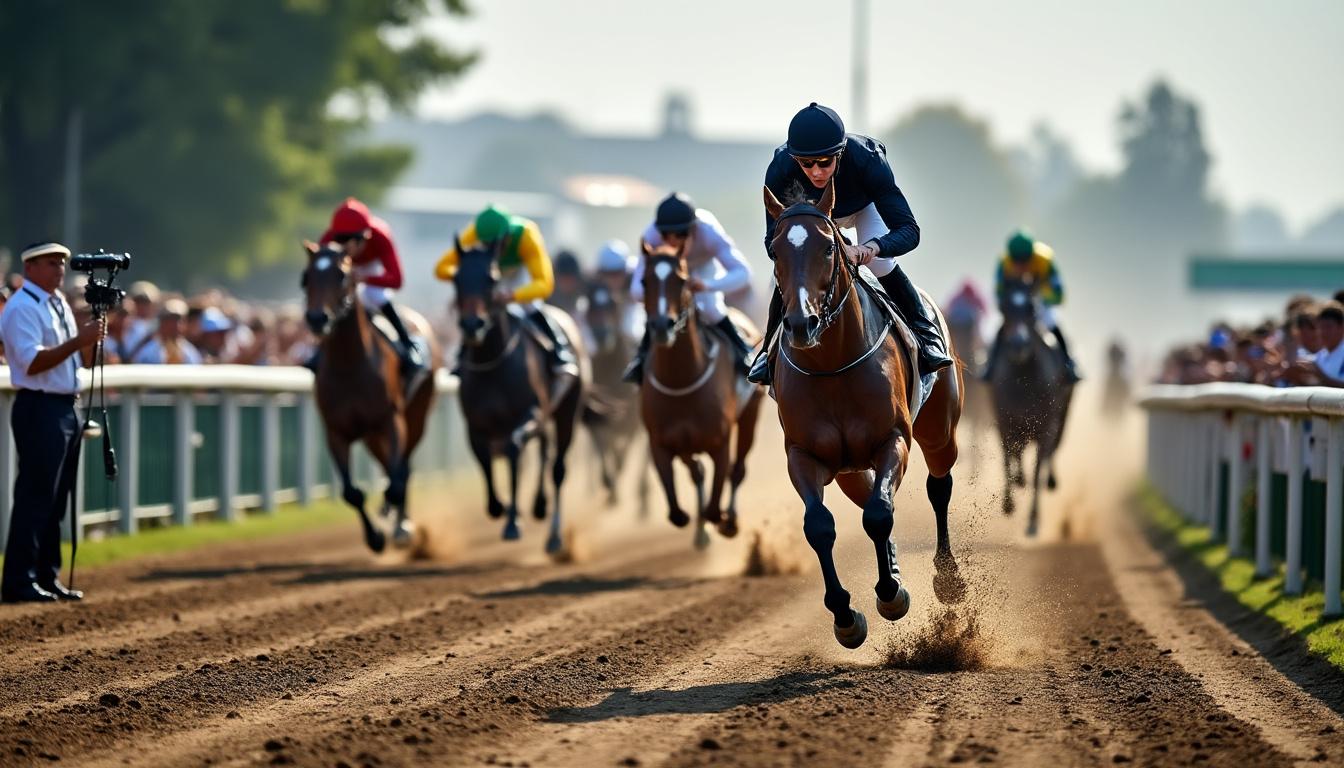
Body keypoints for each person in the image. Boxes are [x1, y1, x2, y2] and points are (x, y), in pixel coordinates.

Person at [754, 102, 951, 385]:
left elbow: (909, 229)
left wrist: (866, 249)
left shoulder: (867, 160)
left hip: (863, 208)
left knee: (881, 263)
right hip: (812, 218)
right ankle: (767, 353)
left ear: (840, 153)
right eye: (806, 164)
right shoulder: (781, 168)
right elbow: (771, 240)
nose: (816, 172)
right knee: (795, 271)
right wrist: (801, 256)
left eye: (825, 162)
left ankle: (926, 334)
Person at [0, 242, 104, 603]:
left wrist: (88, 342)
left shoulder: (56, 302)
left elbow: (79, 360)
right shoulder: (22, 308)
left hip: (63, 406)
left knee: (56, 499)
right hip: (38, 406)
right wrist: (80, 341)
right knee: (35, 495)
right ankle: (18, 579)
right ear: (30, 267)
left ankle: (46, 573)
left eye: (61, 262)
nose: (59, 268)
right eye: (50, 263)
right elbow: (31, 363)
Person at [435, 205, 577, 376]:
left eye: (494, 243)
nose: (489, 246)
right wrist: (466, 278)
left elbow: (545, 284)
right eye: (485, 242)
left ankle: (558, 351)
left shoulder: (527, 235)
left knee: (530, 307)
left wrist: (513, 295)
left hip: (520, 273)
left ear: (507, 235)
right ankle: (462, 356)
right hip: (489, 275)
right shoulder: (475, 233)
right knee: (475, 313)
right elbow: (441, 268)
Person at [317, 197, 424, 375]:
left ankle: (407, 345)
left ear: (363, 238)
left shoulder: (381, 235)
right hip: (342, 271)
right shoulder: (330, 238)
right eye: (339, 239)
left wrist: (365, 278)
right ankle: (318, 350)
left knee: (376, 295)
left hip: (369, 269)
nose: (341, 245)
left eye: (346, 240)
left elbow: (396, 280)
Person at [983, 229, 1082, 383]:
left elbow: (1059, 293)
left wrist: (1042, 298)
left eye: (1025, 260)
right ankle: (990, 367)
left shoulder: (1045, 260)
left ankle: (1068, 364)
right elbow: (998, 292)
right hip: (1014, 303)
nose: (1021, 265)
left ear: (1032, 255)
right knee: (1000, 327)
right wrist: (1006, 307)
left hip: (1041, 299)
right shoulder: (1004, 263)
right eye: (1017, 261)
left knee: (1051, 322)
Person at [594, 239, 644, 344]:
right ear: (602, 273)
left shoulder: (637, 278)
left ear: (625, 270)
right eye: (609, 273)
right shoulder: (595, 284)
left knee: (632, 331)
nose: (614, 278)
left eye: (618, 273)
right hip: (611, 315)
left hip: (632, 309)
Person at [131, 298, 203, 364]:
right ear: (161, 323)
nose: (176, 326)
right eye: (171, 320)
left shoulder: (191, 353)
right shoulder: (147, 353)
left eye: (179, 321)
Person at [549, 250, 585, 315]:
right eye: (565, 279)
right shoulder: (546, 293)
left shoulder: (583, 289)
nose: (568, 283)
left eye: (571, 279)